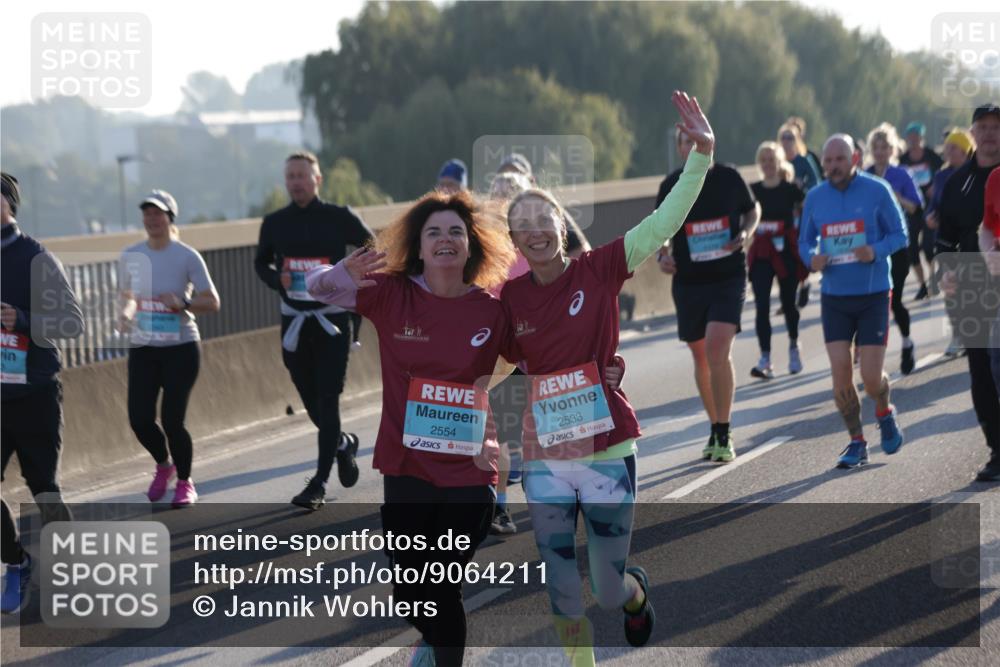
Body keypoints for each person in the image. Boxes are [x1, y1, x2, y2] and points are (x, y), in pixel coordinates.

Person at [502, 91, 712, 666]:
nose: (535, 231)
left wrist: (701, 157)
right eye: (522, 227)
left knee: (604, 583)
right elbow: (475, 355)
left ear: (560, 228)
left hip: (607, 446)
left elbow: (663, 221)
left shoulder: (600, 269)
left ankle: (633, 593)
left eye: (543, 219)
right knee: (561, 586)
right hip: (545, 453)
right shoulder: (509, 298)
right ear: (515, 243)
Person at [306, 190, 516, 666]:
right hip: (408, 468)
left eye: (456, 232)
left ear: (470, 245)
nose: (445, 240)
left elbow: (538, 360)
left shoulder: (492, 309)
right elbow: (315, 289)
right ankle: (434, 640)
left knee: (442, 586)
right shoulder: (392, 295)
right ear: (419, 247)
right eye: (434, 233)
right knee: (409, 593)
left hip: (469, 472)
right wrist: (343, 273)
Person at [254, 151, 373, 510]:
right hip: (294, 321)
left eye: (302, 175)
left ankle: (318, 483)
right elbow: (261, 262)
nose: (296, 182)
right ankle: (342, 444)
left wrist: (351, 277)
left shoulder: (339, 217)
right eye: (290, 176)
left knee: (327, 398)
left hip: (333, 321)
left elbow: (374, 248)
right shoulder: (275, 223)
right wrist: (278, 279)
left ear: (317, 179)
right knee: (310, 401)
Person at [798, 135, 908, 469]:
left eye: (839, 160)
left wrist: (875, 251)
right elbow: (804, 241)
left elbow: (900, 235)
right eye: (828, 161)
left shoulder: (877, 190)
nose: (832, 167)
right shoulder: (815, 198)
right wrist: (811, 259)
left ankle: (884, 411)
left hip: (873, 294)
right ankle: (856, 442)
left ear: (855, 158)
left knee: (872, 379)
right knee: (841, 376)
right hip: (835, 298)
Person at [658, 114, 761, 464]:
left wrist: (745, 233)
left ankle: (723, 430)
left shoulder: (729, 177)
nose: (690, 147)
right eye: (684, 142)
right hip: (689, 281)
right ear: (679, 149)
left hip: (727, 276)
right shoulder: (671, 184)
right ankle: (714, 425)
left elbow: (752, 210)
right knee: (701, 356)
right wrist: (663, 255)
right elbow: (661, 229)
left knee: (718, 347)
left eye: (695, 140)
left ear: (707, 141)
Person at [2, 171, 83, 613]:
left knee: (44, 489)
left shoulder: (36, 257)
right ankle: (16, 562)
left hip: (34, 393)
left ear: (8, 204)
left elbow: (72, 322)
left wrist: (24, 320)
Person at [118, 190, 220, 508]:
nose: (152, 219)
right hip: (145, 347)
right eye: (147, 213)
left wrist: (184, 303)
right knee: (139, 419)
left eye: (158, 213)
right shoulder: (131, 255)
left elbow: (212, 301)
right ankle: (165, 465)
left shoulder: (186, 255)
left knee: (173, 420)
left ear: (170, 218)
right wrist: (125, 313)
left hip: (181, 347)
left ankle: (186, 482)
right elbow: (128, 296)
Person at [936, 103, 1000, 482]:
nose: (990, 133)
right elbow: (944, 239)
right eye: (983, 126)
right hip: (972, 283)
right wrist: (946, 272)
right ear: (972, 132)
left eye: (996, 126)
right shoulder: (957, 183)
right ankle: (997, 451)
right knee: (981, 372)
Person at [864, 123, 924, 375]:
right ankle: (869, 356)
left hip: (897, 246)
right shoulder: (864, 175)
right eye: (875, 147)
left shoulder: (902, 175)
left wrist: (895, 197)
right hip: (871, 248)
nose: (880, 152)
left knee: (894, 300)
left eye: (884, 147)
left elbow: (915, 207)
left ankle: (907, 342)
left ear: (892, 149)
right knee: (868, 302)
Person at [747, 141, 807, 378]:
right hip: (762, 251)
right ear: (759, 164)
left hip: (785, 251)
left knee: (788, 303)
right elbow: (742, 215)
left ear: (779, 161)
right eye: (764, 160)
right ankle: (765, 358)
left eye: (772, 160)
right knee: (762, 305)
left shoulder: (790, 189)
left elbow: (808, 210)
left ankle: (794, 345)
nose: (768, 164)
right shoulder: (752, 191)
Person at [927, 129, 975, 356]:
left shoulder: (975, 174)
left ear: (965, 150)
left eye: (953, 147)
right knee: (951, 290)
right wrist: (929, 217)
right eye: (946, 147)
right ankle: (958, 334)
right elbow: (934, 205)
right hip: (945, 241)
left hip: (970, 241)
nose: (948, 151)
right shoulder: (940, 176)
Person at [899, 122, 945, 299]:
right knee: (911, 249)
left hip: (931, 207)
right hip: (912, 209)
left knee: (927, 247)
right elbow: (898, 179)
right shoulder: (903, 160)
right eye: (910, 137)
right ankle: (922, 285)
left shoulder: (931, 155)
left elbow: (945, 172)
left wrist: (936, 185)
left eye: (916, 137)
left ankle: (934, 280)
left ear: (921, 138)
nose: (913, 140)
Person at [779, 122, 821, 193]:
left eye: (790, 138)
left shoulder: (804, 159)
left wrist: (803, 185)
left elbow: (816, 181)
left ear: (796, 140)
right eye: (783, 138)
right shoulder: (777, 161)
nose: (786, 141)